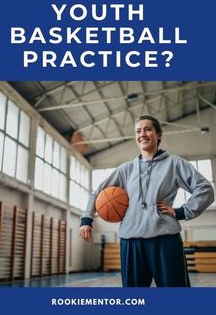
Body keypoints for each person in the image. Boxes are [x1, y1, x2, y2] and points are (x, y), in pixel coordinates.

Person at [79, 115, 214, 287]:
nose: (142, 134)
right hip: (131, 241)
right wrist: (86, 219)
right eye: (138, 131)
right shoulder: (126, 169)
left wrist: (181, 211)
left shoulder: (174, 163)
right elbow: (97, 193)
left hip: (165, 239)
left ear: (159, 135)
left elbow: (205, 189)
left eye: (148, 129)